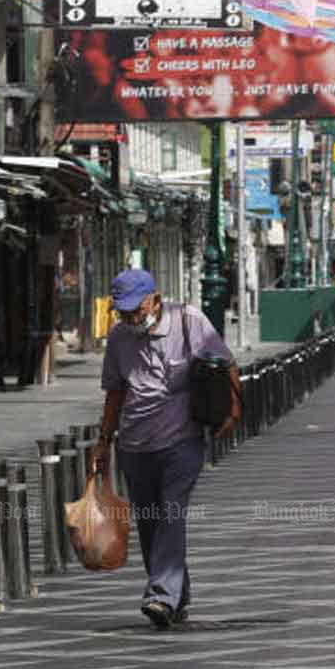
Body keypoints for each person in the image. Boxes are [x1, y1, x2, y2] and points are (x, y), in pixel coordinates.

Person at [93, 269, 239, 629]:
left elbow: (227, 364)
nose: (131, 319)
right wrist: (103, 441)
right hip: (135, 443)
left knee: (171, 515)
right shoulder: (118, 339)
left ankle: (160, 594)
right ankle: (177, 597)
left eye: (136, 310)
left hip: (181, 440)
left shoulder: (188, 320)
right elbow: (115, 393)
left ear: (155, 300)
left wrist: (234, 411)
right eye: (123, 313)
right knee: (150, 523)